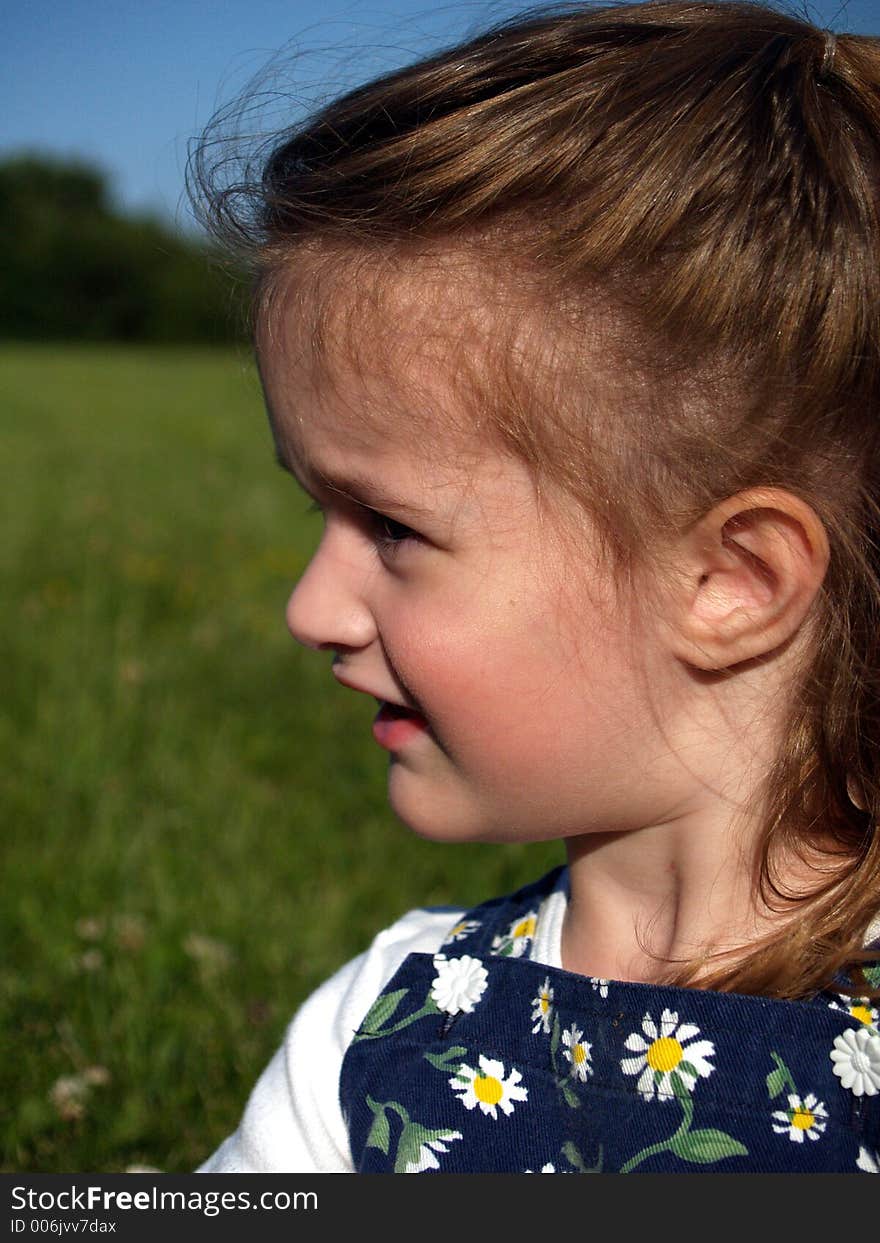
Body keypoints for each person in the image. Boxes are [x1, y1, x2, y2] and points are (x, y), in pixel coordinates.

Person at [192, 0, 880, 1173]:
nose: (309, 610)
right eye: (323, 513)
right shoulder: (384, 1037)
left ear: (729, 579)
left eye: (393, 527)